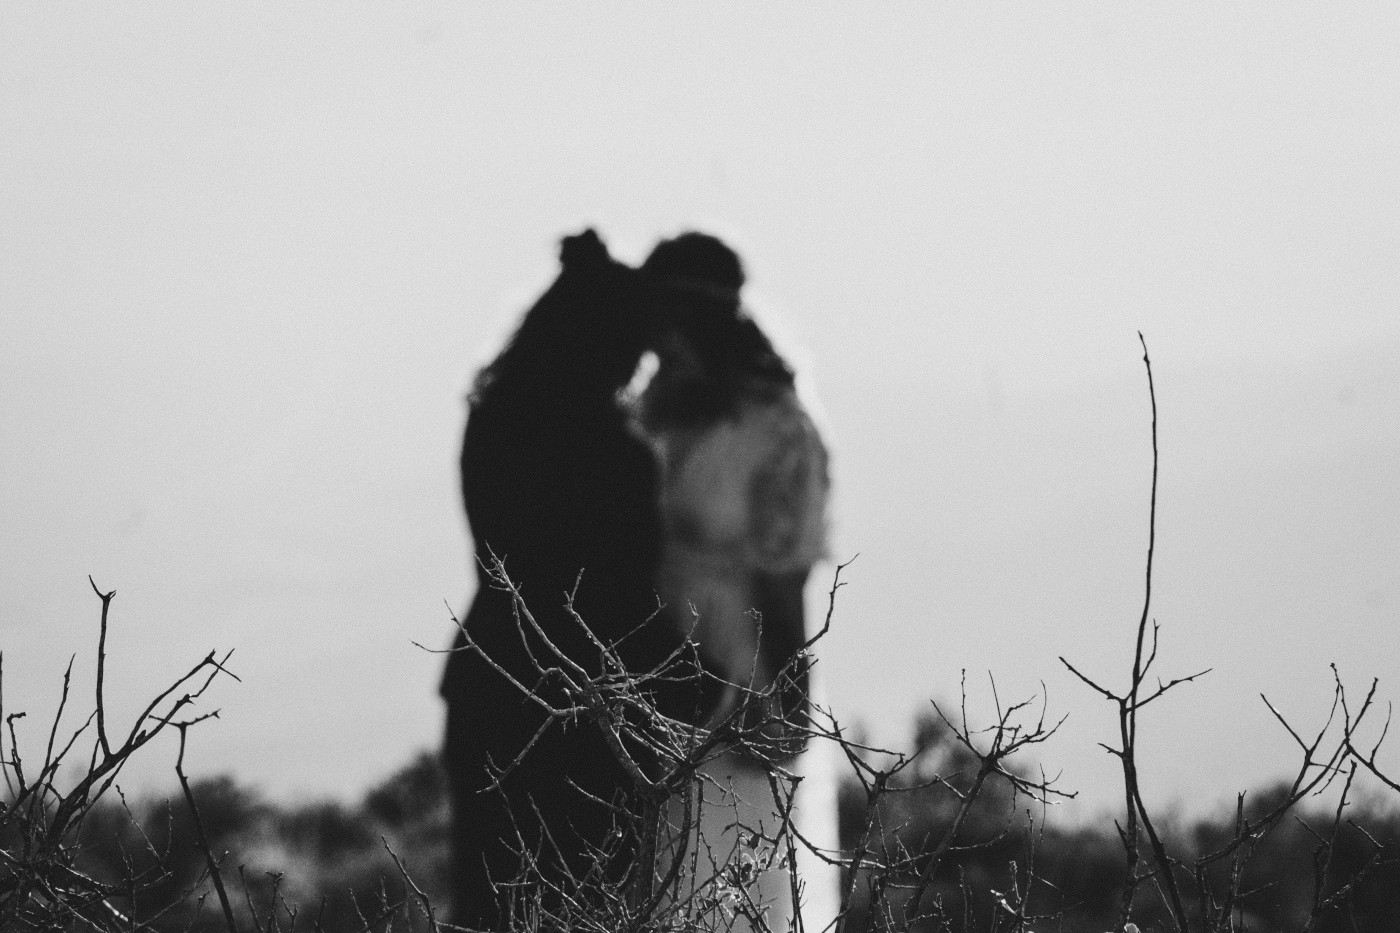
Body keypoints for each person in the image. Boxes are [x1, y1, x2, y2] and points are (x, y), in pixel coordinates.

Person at [441, 230, 691, 928]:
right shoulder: (616, 454)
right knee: (587, 903)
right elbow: (625, 594)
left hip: (491, 680)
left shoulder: (491, 419)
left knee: (490, 900)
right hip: (588, 706)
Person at [633, 232, 838, 930]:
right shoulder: (659, 405)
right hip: (651, 659)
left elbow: (786, 574)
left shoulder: (776, 425)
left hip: (736, 666)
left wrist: (780, 703)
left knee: (727, 876)